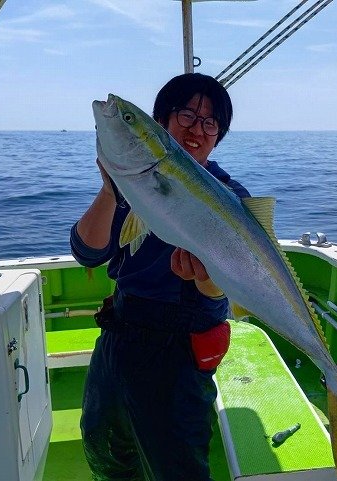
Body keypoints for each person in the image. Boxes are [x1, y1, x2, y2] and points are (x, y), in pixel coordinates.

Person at [70, 72, 250, 481]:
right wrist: (111, 190)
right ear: (162, 122)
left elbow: (220, 293)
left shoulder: (232, 198)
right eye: (186, 115)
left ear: (218, 136)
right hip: (117, 337)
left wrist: (204, 280)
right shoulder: (133, 183)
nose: (197, 129)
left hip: (179, 353)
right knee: (105, 452)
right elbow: (88, 253)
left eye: (210, 122)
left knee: (177, 469)